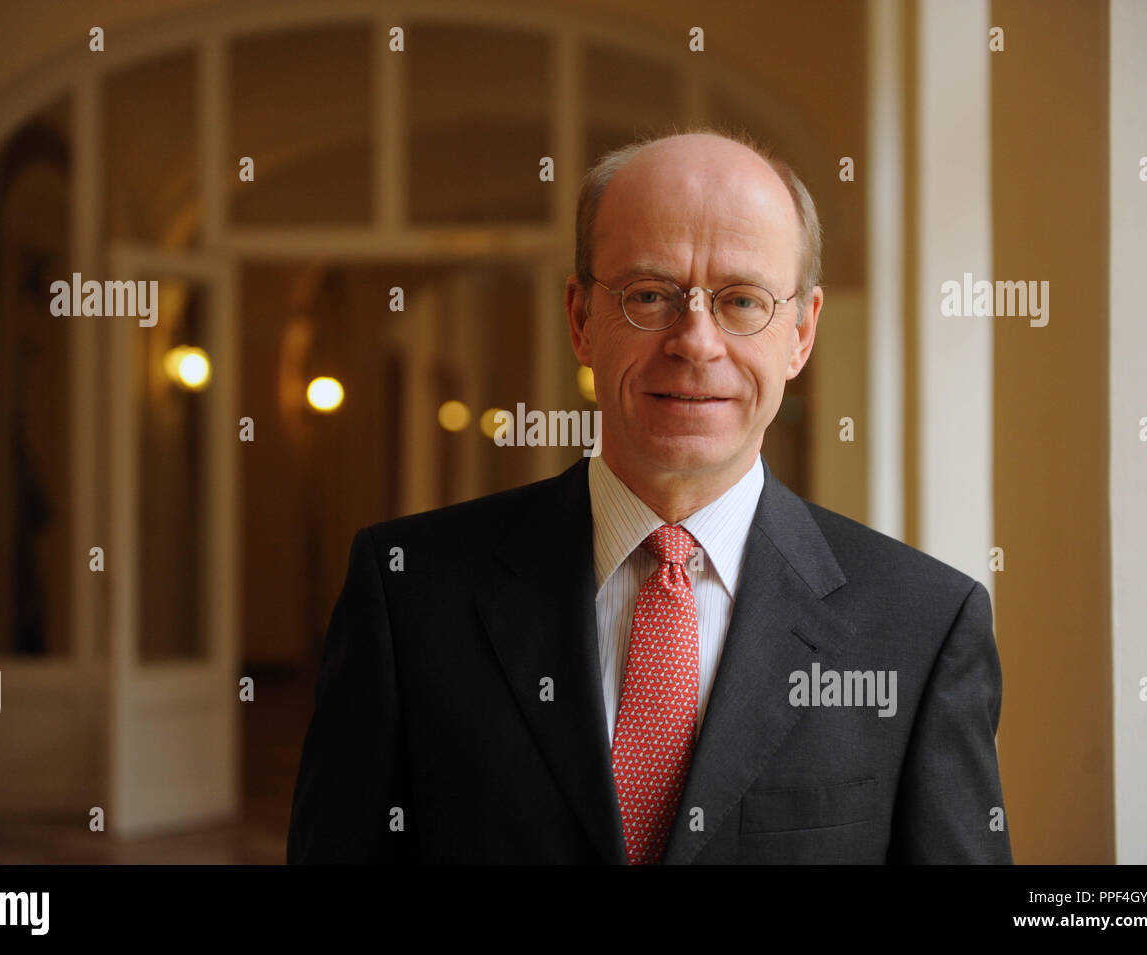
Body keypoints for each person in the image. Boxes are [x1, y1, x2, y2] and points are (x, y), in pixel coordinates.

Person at [287, 128, 1012, 864]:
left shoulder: (923, 629)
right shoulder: (407, 590)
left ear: (801, 331)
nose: (695, 341)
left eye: (741, 300)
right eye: (650, 294)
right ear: (580, 319)